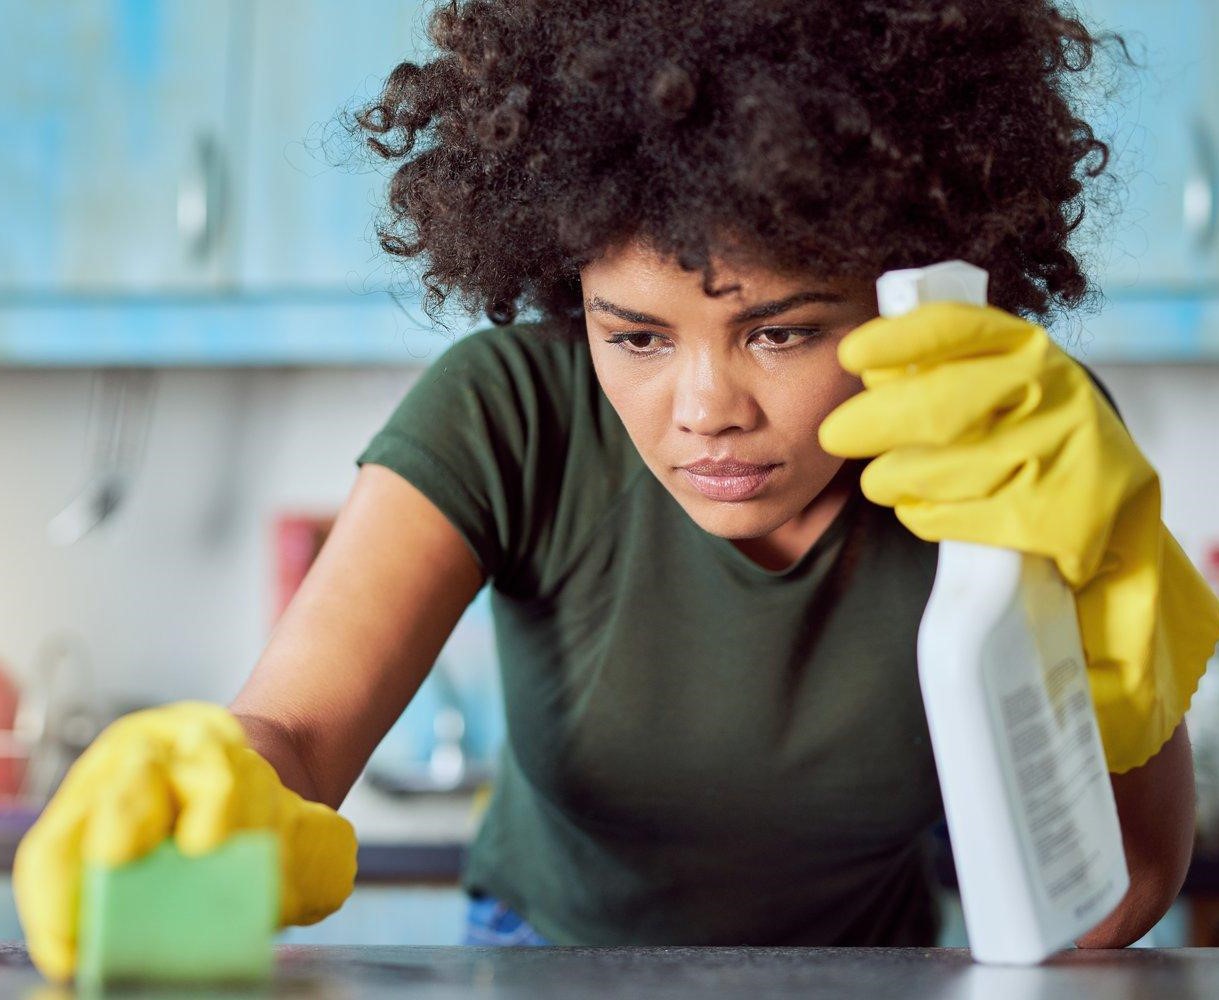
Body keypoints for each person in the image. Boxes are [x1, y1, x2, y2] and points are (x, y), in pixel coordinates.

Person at [15, 0, 1219, 979]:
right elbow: (295, 731)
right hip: (539, 961)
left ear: (921, 288)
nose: (704, 408)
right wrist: (208, 771)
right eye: (636, 336)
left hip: (879, 973)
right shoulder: (507, 410)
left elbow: (1110, 901)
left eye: (783, 332)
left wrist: (1113, 619)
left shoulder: (1010, 441)